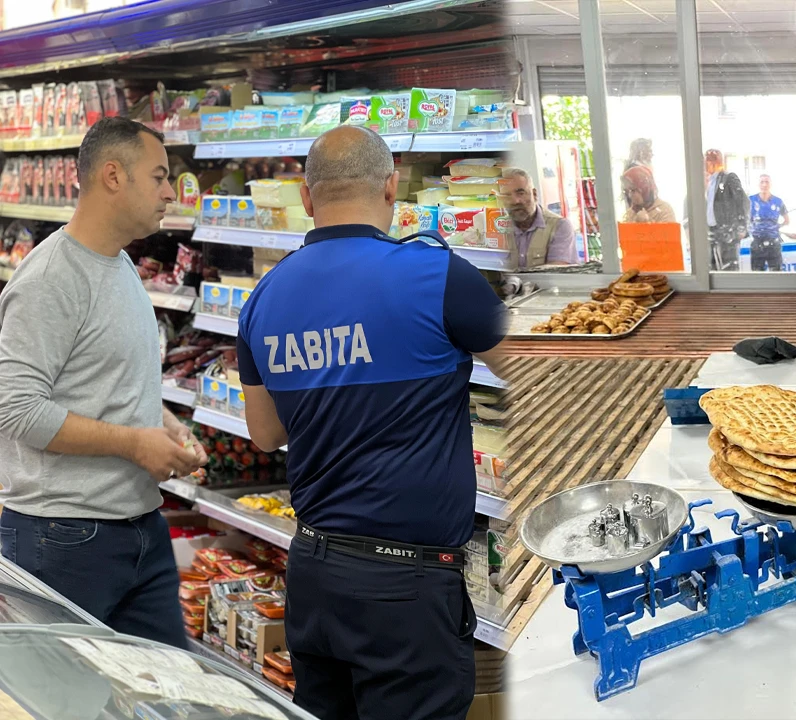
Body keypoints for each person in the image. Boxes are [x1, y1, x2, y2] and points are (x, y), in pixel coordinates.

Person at [236, 126, 506, 720]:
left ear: (306, 198)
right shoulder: (436, 276)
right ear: (391, 188)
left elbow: (266, 435)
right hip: (406, 589)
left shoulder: (264, 297)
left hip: (314, 573)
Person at [0, 117, 207, 648]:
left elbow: (109, 381)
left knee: (168, 683)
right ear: (113, 176)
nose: (170, 192)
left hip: (139, 527)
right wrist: (135, 444)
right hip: (62, 538)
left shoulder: (120, 266)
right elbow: (17, 409)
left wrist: (165, 427)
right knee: (57, 689)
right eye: (159, 176)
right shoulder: (50, 279)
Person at [500, 167, 576, 269]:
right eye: (506, 195)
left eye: (521, 193)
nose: (515, 201)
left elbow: (557, 271)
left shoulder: (559, 226)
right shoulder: (497, 227)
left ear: (534, 194)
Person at [704, 149, 749, 271]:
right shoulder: (709, 182)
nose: (709, 163)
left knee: (729, 269)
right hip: (712, 233)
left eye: (712, 160)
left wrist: (741, 226)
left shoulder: (728, 178)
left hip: (727, 233)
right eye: (707, 160)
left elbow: (742, 201)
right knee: (713, 269)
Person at [748, 174, 789, 271]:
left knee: (776, 273)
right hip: (757, 242)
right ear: (758, 184)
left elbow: (787, 220)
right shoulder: (751, 200)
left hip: (773, 242)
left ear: (771, 184)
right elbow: (745, 219)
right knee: (757, 273)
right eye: (762, 182)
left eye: (767, 182)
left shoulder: (778, 201)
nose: (764, 185)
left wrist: (776, 227)